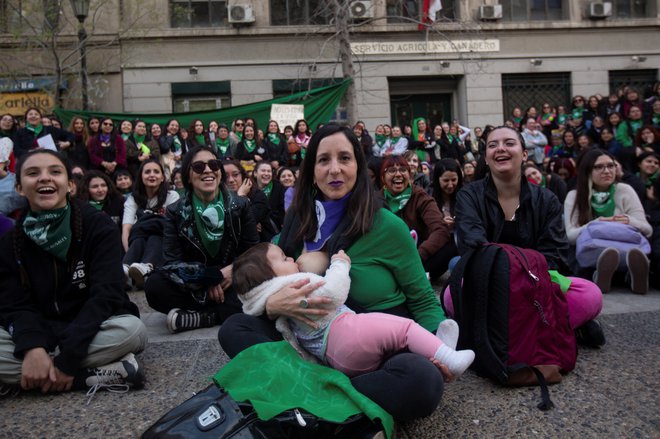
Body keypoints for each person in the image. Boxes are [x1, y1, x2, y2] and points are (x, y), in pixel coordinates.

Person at [219, 124, 453, 422]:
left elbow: (422, 299)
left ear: (358, 164)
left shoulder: (387, 226)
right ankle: (337, 403)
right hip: (309, 348)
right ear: (312, 169)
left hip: (377, 353)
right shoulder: (296, 221)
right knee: (234, 328)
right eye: (323, 160)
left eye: (344, 158)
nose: (334, 169)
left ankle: (310, 397)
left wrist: (437, 348)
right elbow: (256, 284)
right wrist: (271, 304)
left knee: (422, 381)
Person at [0, 150, 147, 398]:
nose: (44, 178)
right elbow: (13, 304)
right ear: (19, 188)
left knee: (133, 331)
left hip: (92, 328)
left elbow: (107, 294)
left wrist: (68, 357)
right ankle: (94, 375)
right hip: (40, 330)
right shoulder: (9, 241)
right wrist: (32, 347)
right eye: (33, 173)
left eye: (55, 172)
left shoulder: (98, 226)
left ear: (69, 185)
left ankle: (31, 376)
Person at [452, 126, 605, 347]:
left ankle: (508, 330)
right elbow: (473, 245)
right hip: (489, 282)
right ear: (485, 158)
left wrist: (524, 280)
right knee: (451, 296)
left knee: (590, 294)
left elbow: (555, 254)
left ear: (524, 154)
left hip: (538, 284)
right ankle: (553, 325)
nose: (500, 149)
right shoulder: (469, 195)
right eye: (492, 145)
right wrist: (508, 277)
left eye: (509, 143)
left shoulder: (547, 199)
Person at [233, 243, 474, 377]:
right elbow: (334, 290)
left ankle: (437, 352)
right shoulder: (296, 285)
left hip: (337, 356)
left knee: (414, 367)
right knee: (406, 329)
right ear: (269, 277)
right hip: (346, 334)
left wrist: (268, 304)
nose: (292, 259)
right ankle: (447, 356)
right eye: (284, 259)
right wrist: (340, 264)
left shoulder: (278, 288)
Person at [144, 146, 258, 333]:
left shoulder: (241, 205)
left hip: (234, 280)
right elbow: (172, 262)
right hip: (196, 283)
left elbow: (253, 250)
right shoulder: (175, 211)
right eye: (198, 167)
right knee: (154, 286)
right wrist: (209, 279)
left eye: (213, 164)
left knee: (263, 283)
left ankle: (204, 317)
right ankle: (219, 310)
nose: (207, 170)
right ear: (188, 176)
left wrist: (233, 269)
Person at [564, 149, 653, 294]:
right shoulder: (574, 196)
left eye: (611, 166)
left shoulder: (625, 190)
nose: (607, 171)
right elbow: (570, 236)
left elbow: (648, 230)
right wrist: (596, 223)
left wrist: (629, 220)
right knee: (590, 258)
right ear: (587, 170)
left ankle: (631, 276)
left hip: (626, 248)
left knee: (630, 254)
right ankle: (602, 275)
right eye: (599, 167)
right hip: (592, 251)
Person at [380, 156, 454, 283]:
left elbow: (440, 229)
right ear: (383, 178)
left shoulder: (420, 196)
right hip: (388, 256)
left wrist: (417, 255)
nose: (398, 174)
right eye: (391, 170)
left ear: (410, 175)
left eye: (403, 170)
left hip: (417, 257)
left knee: (450, 246)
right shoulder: (375, 200)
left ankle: (408, 276)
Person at [122, 159, 180, 288]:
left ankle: (147, 265)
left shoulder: (172, 196)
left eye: (156, 172)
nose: (152, 175)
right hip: (137, 240)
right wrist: (130, 253)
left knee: (155, 232)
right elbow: (126, 228)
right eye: (147, 172)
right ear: (141, 177)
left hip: (162, 242)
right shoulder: (132, 199)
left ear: (162, 178)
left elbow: (172, 227)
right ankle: (126, 267)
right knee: (140, 236)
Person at [252, 161, 286, 241]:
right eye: (263, 170)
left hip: (274, 233)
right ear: (255, 173)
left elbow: (282, 212)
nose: (266, 173)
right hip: (256, 236)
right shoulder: (249, 190)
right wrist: (254, 223)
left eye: (269, 171)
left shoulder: (279, 188)